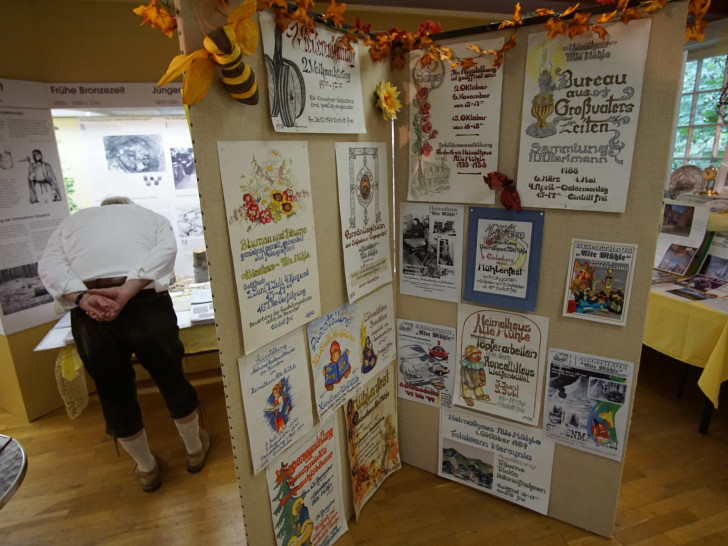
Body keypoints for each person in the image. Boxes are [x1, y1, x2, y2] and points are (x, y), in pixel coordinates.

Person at [38, 196, 209, 492]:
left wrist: (82, 297)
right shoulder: (149, 217)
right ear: (128, 206)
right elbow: (166, 249)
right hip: (146, 303)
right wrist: (128, 290)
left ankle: (147, 470)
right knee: (171, 377)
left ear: (102, 210)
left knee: (112, 390)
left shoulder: (72, 223)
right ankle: (194, 450)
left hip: (91, 309)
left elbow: (49, 265)